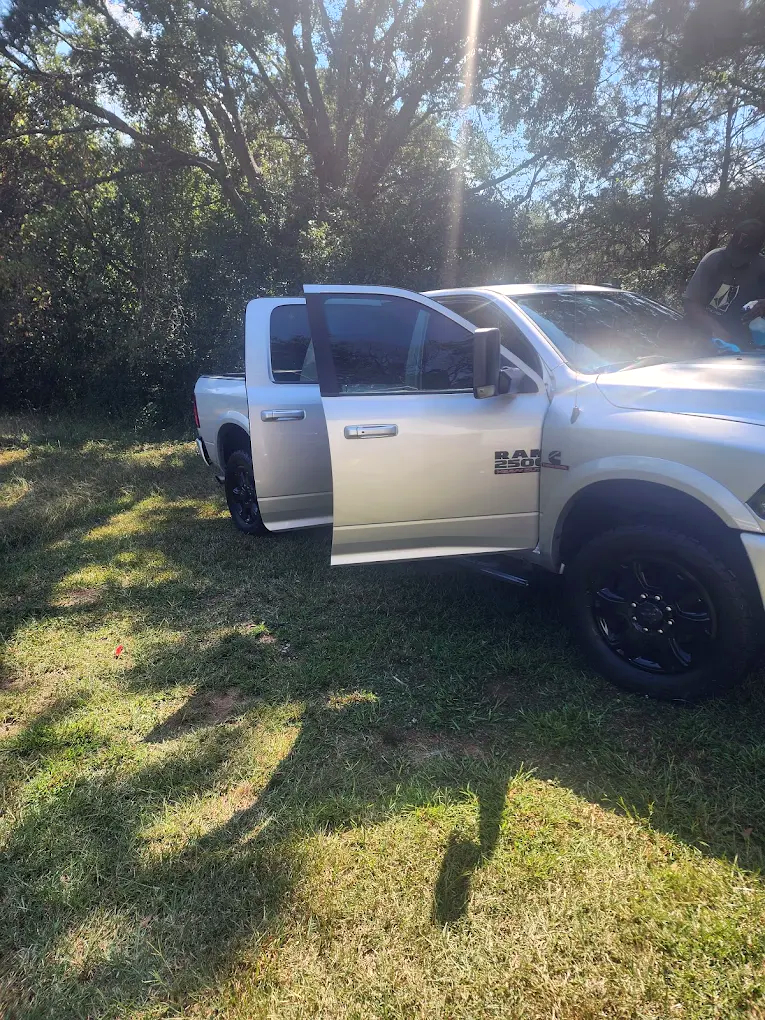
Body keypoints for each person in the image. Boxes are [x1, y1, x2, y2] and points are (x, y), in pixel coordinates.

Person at [683, 219, 765, 347]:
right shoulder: (713, 260)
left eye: (743, 256)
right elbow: (690, 303)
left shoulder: (761, 267)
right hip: (699, 336)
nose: (736, 262)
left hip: (741, 341)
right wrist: (715, 328)